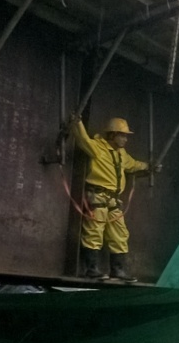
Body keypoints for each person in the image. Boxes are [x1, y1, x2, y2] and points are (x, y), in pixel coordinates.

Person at [69, 114, 160, 281]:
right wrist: (77, 123)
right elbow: (83, 140)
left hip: (112, 200)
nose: (125, 139)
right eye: (122, 135)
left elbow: (133, 165)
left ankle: (118, 270)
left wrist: (149, 166)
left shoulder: (121, 154)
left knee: (120, 233)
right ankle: (91, 269)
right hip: (97, 196)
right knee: (94, 231)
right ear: (112, 135)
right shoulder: (97, 147)